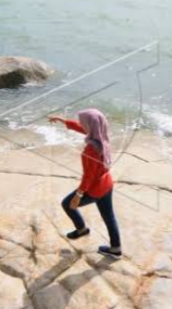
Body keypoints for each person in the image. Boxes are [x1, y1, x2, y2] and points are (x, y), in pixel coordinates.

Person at [48, 109, 122, 258]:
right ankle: (116, 248)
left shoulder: (91, 150)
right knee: (109, 216)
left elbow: (88, 177)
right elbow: (84, 130)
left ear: (90, 126)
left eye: (83, 122)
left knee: (67, 204)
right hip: (107, 183)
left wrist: (78, 195)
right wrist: (63, 120)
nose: (82, 125)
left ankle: (81, 229)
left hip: (94, 188)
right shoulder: (102, 137)